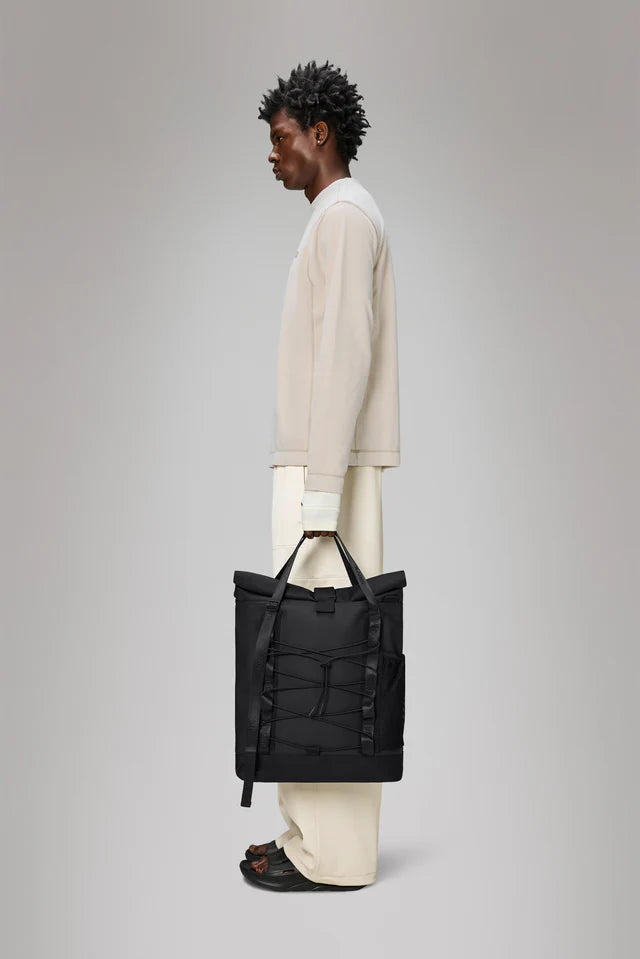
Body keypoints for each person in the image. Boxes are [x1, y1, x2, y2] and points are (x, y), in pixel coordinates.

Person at [239, 60, 400, 891]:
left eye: (281, 139)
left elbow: (344, 357)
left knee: (323, 655)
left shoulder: (342, 218)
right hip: (318, 467)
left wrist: (321, 496)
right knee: (311, 652)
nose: (273, 155)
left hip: (322, 473)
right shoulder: (339, 216)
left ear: (320, 133)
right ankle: (308, 834)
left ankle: (331, 857)